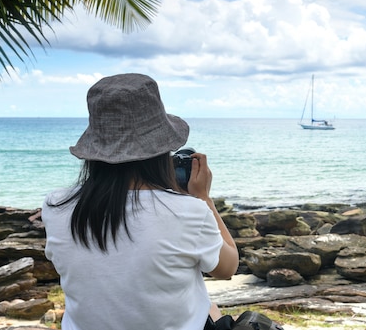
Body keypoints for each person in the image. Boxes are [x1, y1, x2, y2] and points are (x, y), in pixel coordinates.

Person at [42, 73, 239, 330]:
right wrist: (203, 197)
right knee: (210, 307)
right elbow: (228, 267)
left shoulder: (56, 206)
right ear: (160, 152)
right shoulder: (188, 211)